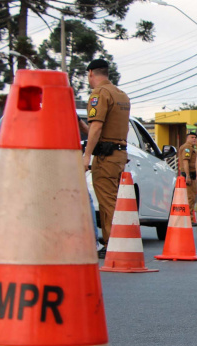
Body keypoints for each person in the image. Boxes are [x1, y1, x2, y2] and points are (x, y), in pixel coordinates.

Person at [80, 58, 130, 259]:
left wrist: (86, 157)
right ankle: (121, 240)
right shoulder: (121, 94)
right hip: (119, 154)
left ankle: (112, 243)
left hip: (106, 157)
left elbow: (98, 127)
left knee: (107, 201)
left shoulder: (99, 94)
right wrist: (83, 126)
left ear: (90, 73)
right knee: (116, 200)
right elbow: (98, 129)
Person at [179, 131, 197, 213]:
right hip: (189, 175)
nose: (194, 139)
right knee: (190, 198)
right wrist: (188, 176)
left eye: (195, 137)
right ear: (187, 138)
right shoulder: (187, 147)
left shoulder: (191, 147)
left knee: (190, 197)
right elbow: (185, 161)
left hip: (191, 175)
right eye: (192, 137)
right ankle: (189, 217)